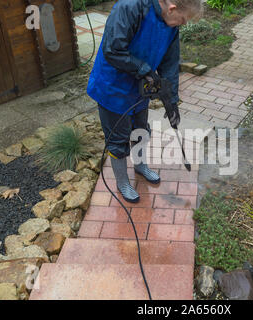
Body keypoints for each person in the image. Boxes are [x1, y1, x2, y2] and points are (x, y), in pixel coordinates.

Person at [87, 0, 202, 203]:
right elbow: (113, 49)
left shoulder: (170, 24)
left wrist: (172, 101)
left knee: (140, 130)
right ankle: (122, 182)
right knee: (118, 139)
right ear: (172, 7)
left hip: (140, 88)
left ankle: (140, 166)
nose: (183, 24)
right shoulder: (130, 7)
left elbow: (170, 63)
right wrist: (144, 70)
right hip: (112, 86)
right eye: (183, 20)